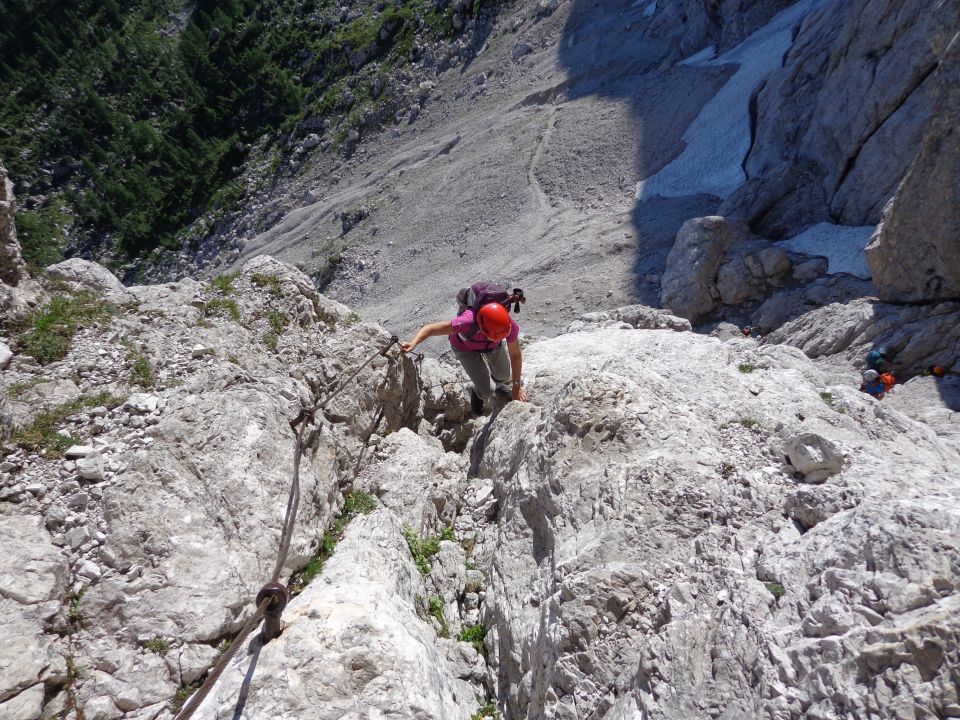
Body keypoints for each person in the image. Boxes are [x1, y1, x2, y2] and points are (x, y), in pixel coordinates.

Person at [402, 299, 529, 415]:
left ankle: (499, 386)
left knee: (504, 376)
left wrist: (517, 386)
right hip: (464, 347)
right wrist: (413, 343)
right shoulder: (466, 322)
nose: (503, 338)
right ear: (482, 329)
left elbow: (515, 354)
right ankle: (478, 394)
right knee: (486, 391)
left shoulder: (508, 326)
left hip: (491, 346)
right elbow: (430, 329)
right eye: (496, 336)